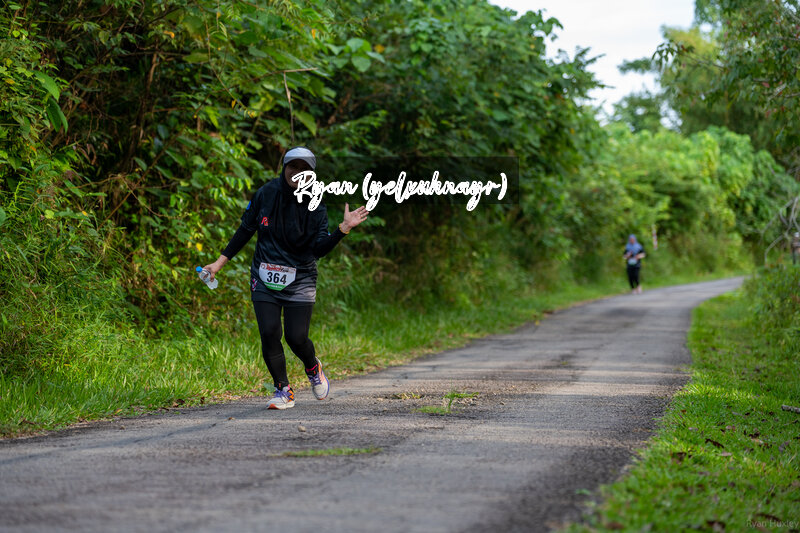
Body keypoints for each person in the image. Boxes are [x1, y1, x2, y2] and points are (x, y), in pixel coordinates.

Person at [201, 147, 369, 409]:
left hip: (301, 277)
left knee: (296, 337)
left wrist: (343, 229)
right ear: (284, 168)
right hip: (264, 274)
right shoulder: (266, 193)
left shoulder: (315, 203)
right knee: (269, 332)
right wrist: (219, 263)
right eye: (293, 167)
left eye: (304, 170)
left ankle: (313, 367)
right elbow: (245, 230)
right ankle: (283, 390)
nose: (297, 173)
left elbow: (318, 250)